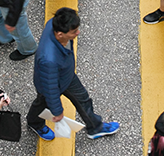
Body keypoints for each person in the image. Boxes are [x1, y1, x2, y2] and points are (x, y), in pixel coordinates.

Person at [26, 8, 120, 141]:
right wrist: (58, 112)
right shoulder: (49, 59)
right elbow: (50, 88)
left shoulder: (53, 24)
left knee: (83, 100)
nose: (78, 33)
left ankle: (95, 127)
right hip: (50, 82)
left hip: (66, 75)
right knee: (43, 103)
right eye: (74, 32)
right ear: (60, 34)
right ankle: (34, 123)